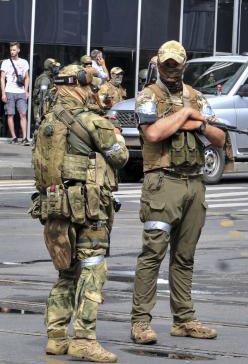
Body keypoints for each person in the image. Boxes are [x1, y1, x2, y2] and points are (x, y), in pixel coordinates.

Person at [130, 41, 225, 345]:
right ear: (158, 63)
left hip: (194, 182)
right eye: (166, 64)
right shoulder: (148, 96)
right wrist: (185, 115)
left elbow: (219, 137)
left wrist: (195, 123)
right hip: (163, 182)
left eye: (176, 65)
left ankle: (184, 319)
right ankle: (140, 322)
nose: (171, 70)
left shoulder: (196, 98)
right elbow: (153, 133)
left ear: (184, 65)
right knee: (152, 254)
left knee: (185, 256)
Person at [32, 64, 128, 362]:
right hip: (87, 208)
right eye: (89, 87)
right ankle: (84, 339)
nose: (92, 92)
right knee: (93, 268)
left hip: (55, 207)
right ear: (78, 86)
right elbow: (120, 156)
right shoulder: (90, 120)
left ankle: (57, 336)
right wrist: (117, 134)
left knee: (67, 271)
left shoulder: (47, 122)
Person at [1, 41, 30, 144]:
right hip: (9, 91)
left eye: (14, 50)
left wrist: (26, 91)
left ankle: (25, 138)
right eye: (11, 50)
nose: (12, 52)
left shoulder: (24, 62)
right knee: (10, 114)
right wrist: (3, 93)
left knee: (23, 114)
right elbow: (2, 78)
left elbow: (27, 77)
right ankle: (14, 137)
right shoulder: (6, 62)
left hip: (21, 91)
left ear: (18, 50)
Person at [33, 57, 61, 129]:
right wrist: (40, 115)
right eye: (54, 66)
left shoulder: (50, 77)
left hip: (46, 108)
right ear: (49, 67)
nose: (56, 68)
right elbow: (42, 97)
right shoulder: (45, 79)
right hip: (42, 110)